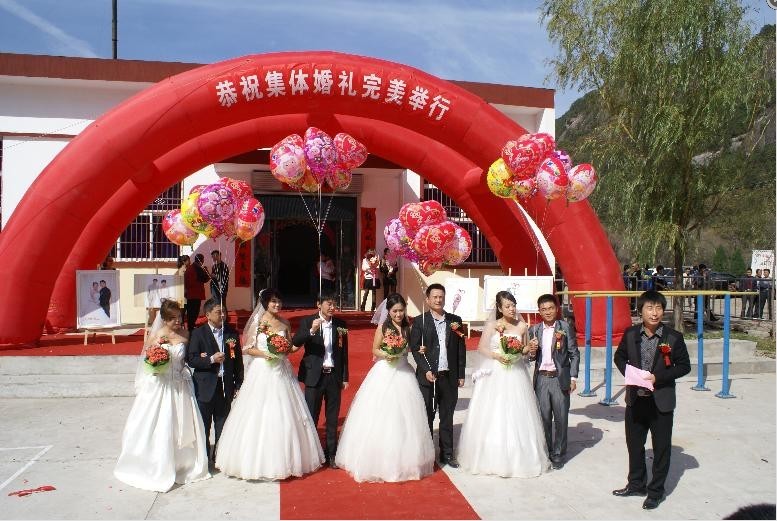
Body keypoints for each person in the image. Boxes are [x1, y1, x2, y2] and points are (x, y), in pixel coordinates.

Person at [215, 289, 324, 479]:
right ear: (265, 303)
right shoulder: (258, 322)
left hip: (281, 370)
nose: (277, 305)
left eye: (279, 301)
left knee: (285, 412)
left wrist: (308, 334)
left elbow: (290, 348)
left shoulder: (284, 323)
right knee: (258, 412)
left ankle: (286, 459)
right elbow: (247, 348)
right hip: (262, 370)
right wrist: (266, 354)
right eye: (273, 301)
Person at [336, 293, 434, 482]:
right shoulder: (383, 327)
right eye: (395, 311)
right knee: (382, 413)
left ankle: (406, 460)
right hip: (385, 371)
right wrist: (387, 354)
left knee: (406, 416)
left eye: (401, 310)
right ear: (388, 311)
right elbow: (374, 349)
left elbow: (410, 347)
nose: (398, 314)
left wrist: (418, 349)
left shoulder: (407, 327)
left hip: (404, 372)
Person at [114, 300, 210, 492]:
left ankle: (183, 464)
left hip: (181, 385)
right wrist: (157, 362)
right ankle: (155, 463)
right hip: (161, 384)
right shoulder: (157, 335)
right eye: (173, 319)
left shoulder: (186, 334)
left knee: (182, 423)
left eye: (179, 317)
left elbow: (189, 357)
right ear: (164, 320)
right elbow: (147, 359)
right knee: (160, 423)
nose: (178, 321)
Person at [612, 290, 691, 510]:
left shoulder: (673, 337)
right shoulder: (631, 334)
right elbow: (619, 356)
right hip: (636, 400)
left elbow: (684, 366)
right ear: (641, 311)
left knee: (661, 448)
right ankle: (636, 484)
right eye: (649, 308)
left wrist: (658, 377)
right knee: (635, 445)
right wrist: (630, 374)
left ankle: (655, 492)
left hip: (661, 402)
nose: (654, 313)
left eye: (658, 308)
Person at [457, 291, 549, 477]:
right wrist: (497, 356)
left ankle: (519, 458)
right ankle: (490, 457)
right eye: (507, 306)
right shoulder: (493, 325)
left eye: (513, 305)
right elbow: (481, 348)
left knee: (517, 412)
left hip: (516, 373)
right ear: (499, 308)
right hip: (495, 372)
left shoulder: (522, 326)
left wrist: (525, 349)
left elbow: (525, 349)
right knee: (494, 411)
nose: (512, 309)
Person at [409, 283, 466, 468]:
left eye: (441, 296)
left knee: (447, 417)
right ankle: (426, 454)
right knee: (427, 415)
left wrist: (461, 373)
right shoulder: (420, 321)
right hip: (428, 377)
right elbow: (415, 349)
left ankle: (447, 454)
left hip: (449, 376)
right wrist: (426, 369)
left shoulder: (455, 320)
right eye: (434, 297)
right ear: (428, 299)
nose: (438, 300)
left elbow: (461, 349)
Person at [292, 293, 350, 468]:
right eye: (329, 304)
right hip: (314, 376)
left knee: (332, 418)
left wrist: (344, 377)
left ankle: (331, 453)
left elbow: (344, 353)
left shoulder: (341, 325)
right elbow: (296, 342)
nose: (332, 307)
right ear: (319, 304)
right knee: (312, 416)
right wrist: (311, 330)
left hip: (333, 375)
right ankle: (312, 454)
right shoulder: (308, 321)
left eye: (334, 304)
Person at [186, 298, 244, 464]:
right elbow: (191, 359)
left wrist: (238, 383)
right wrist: (211, 359)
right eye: (219, 312)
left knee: (223, 424)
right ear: (208, 314)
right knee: (204, 425)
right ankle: (203, 458)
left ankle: (219, 457)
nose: (223, 315)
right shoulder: (198, 333)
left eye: (224, 311)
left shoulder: (231, 333)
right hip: (204, 386)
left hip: (225, 386)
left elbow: (238, 361)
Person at [527, 293, 580, 470]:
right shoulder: (534, 330)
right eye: (544, 309)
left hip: (559, 378)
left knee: (561, 418)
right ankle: (547, 451)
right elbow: (530, 358)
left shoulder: (565, 327)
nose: (548, 312)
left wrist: (573, 377)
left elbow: (574, 354)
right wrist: (531, 351)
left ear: (556, 309)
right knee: (543, 418)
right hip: (541, 379)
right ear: (539, 311)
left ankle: (559, 454)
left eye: (550, 308)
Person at [184, 253, 209, 331]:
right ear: (201, 260)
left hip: (189, 293)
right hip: (196, 293)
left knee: (190, 311)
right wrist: (206, 271)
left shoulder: (190, 268)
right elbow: (205, 279)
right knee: (194, 311)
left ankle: (190, 326)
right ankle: (191, 327)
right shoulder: (197, 268)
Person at [210, 250, 229, 316]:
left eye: (215, 256)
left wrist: (215, 276)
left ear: (219, 256)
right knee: (216, 304)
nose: (214, 258)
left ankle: (224, 319)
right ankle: (219, 318)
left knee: (222, 304)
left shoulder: (224, 266)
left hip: (221, 289)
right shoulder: (214, 266)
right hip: (214, 288)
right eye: (212, 256)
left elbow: (225, 278)